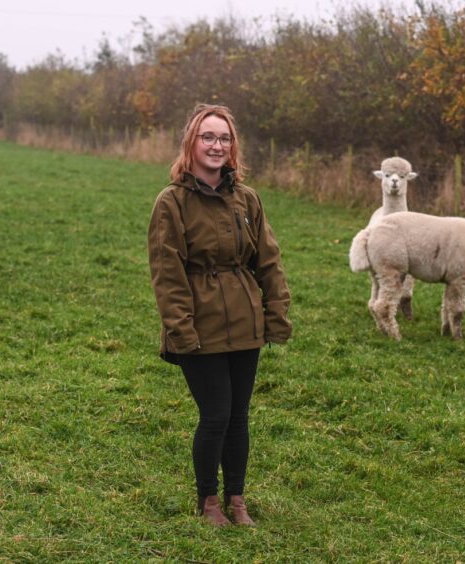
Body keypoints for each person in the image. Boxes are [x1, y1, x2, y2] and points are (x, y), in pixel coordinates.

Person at [148, 103, 292, 526]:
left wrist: (276, 314)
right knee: (215, 415)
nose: (216, 145)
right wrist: (180, 330)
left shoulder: (246, 199)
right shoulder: (171, 202)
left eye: (224, 138)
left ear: (233, 148)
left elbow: (269, 260)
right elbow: (167, 272)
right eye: (207, 137)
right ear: (191, 144)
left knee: (239, 417)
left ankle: (237, 499)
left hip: (245, 323)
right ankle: (209, 501)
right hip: (199, 325)